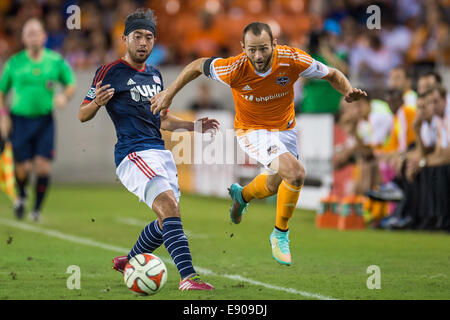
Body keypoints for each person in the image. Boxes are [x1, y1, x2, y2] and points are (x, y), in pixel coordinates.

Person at [150, 22, 366, 266]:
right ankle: (280, 233)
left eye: (263, 48)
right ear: (243, 47)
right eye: (252, 50)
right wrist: (169, 93)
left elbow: (333, 74)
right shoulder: (234, 68)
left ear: (274, 43)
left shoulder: (292, 59)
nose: (258, 56)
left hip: (285, 130)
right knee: (295, 174)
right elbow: (196, 65)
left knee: (275, 184)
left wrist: (347, 92)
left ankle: (242, 195)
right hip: (252, 131)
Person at [78, 8, 218, 291]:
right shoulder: (110, 71)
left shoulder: (155, 75)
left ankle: (129, 261)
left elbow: (162, 118)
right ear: (125, 38)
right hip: (132, 153)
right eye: (138, 36)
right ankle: (189, 277)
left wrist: (193, 127)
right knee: (168, 207)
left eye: (149, 37)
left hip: (160, 152)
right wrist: (97, 103)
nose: (143, 42)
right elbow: (82, 114)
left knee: (167, 217)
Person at [0, 18, 76, 221]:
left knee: (43, 166)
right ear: (24, 38)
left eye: (37, 33)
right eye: (29, 33)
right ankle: (22, 194)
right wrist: (3, 116)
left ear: (44, 37)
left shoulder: (55, 61)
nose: (33, 37)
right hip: (20, 120)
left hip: (44, 120)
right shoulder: (14, 63)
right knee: (22, 168)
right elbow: (2, 91)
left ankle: (36, 210)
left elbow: (70, 84)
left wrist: (64, 96)